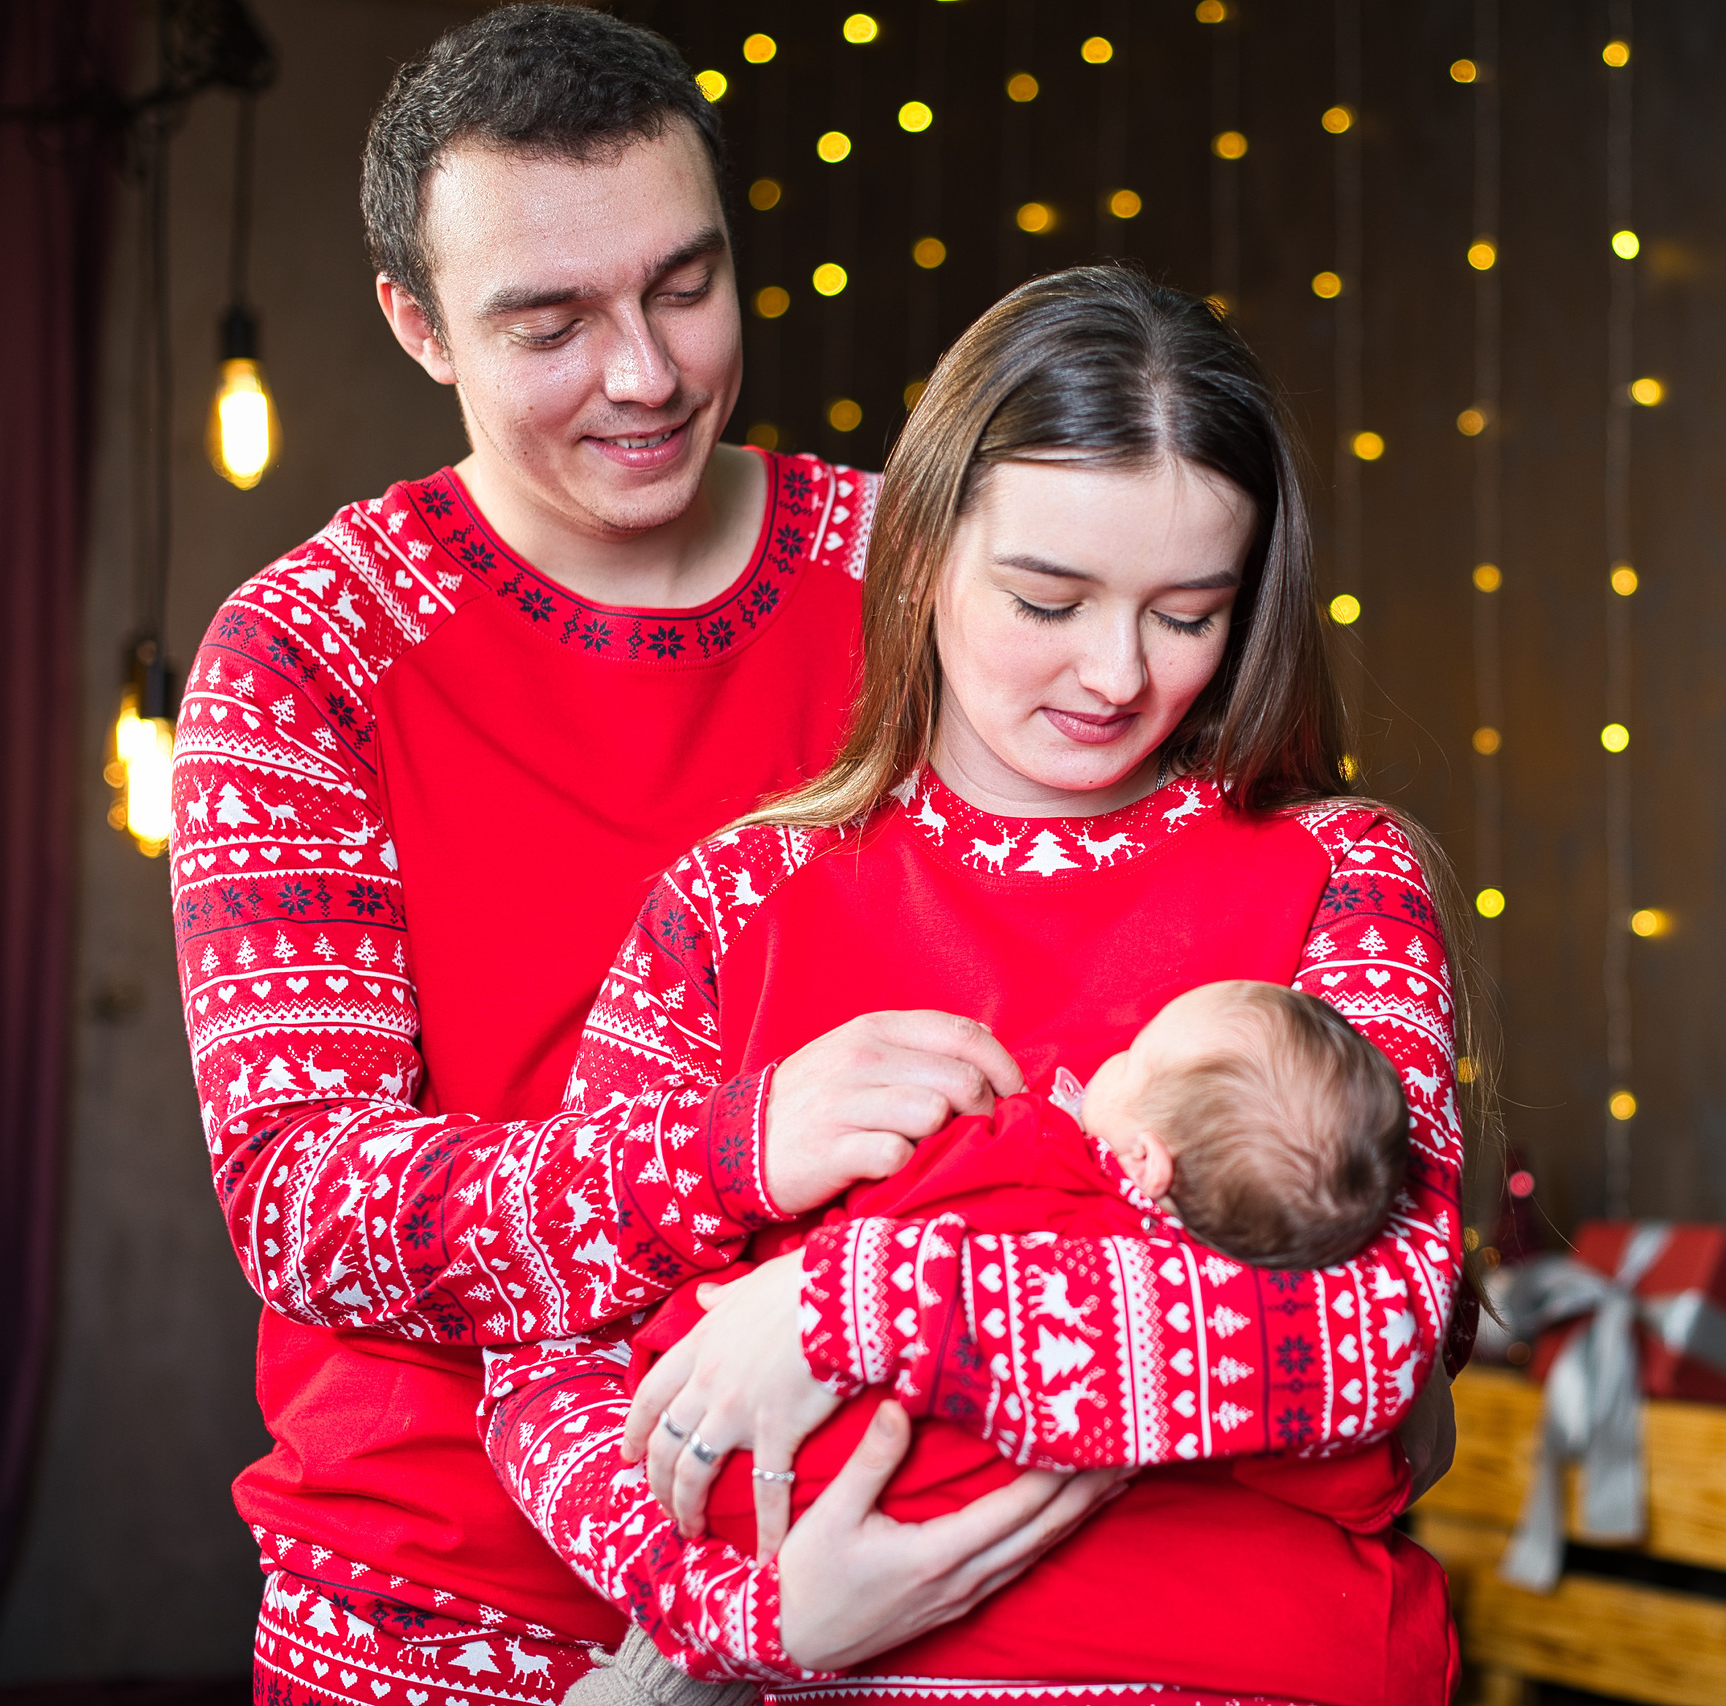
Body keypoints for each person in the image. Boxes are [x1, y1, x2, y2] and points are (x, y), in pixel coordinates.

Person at [173, 9, 1126, 1699]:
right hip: (436, 1606)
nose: (646, 372)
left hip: (890, 1553)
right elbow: (303, 1202)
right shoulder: (307, 653)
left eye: (685, 286)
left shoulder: (924, 574)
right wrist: (733, 1150)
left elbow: (1139, 964)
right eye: (549, 323)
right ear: (417, 325)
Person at [482, 265, 1473, 1702]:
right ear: (925, 547)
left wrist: (851, 1305)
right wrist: (756, 1614)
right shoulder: (729, 900)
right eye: (1047, 597)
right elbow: (549, 1355)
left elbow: (1374, 1334)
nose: (1116, 672)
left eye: (1188, 612)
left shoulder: (1343, 876)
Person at [562, 980, 1420, 1703]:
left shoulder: (1027, 1150)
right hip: (859, 1536)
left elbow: (872, 1215)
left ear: (1151, 1162)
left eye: (1137, 1058)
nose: (1111, 1060)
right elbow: (1363, 1481)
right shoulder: (1237, 1347)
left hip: (726, 1471)